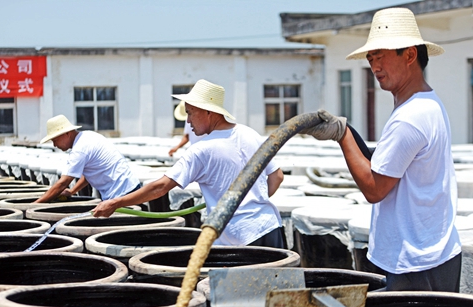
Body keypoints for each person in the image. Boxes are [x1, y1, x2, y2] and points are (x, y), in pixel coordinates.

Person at [303, 8, 461, 292]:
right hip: (432, 253)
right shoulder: (426, 104)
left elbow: (374, 188)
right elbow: (387, 164)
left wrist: (342, 136)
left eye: (381, 56)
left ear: (410, 55)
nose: (374, 66)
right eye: (370, 58)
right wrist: (350, 133)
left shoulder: (410, 117)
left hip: (416, 262)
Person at [93, 79, 286, 248]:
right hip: (269, 228)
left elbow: (160, 188)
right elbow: (277, 177)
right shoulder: (249, 133)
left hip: (238, 238)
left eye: (191, 113)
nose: (188, 121)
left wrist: (116, 202)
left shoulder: (201, 150)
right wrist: (250, 203)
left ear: (208, 112)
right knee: (274, 289)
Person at [34, 114, 141, 203]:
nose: (54, 145)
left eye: (55, 140)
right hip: (130, 188)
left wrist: (35, 205)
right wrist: (72, 191)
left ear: (67, 133)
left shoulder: (79, 150)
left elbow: (63, 183)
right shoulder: (88, 136)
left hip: (122, 194)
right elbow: (89, 175)